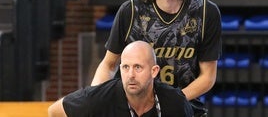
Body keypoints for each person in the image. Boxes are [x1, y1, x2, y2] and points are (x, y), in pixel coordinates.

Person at [91, 0, 222, 117]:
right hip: (135, 109)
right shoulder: (130, 11)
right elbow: (109, 64)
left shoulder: (206, 12)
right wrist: (94, 99)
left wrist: (169, 103)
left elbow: (208, 77)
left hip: (185, 107)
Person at [48, 41, 193, 117]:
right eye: (125, 67)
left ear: (154, 71)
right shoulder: (100, 98)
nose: (130, 75)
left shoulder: (176, 103)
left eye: (137, 67)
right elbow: (55, 111)